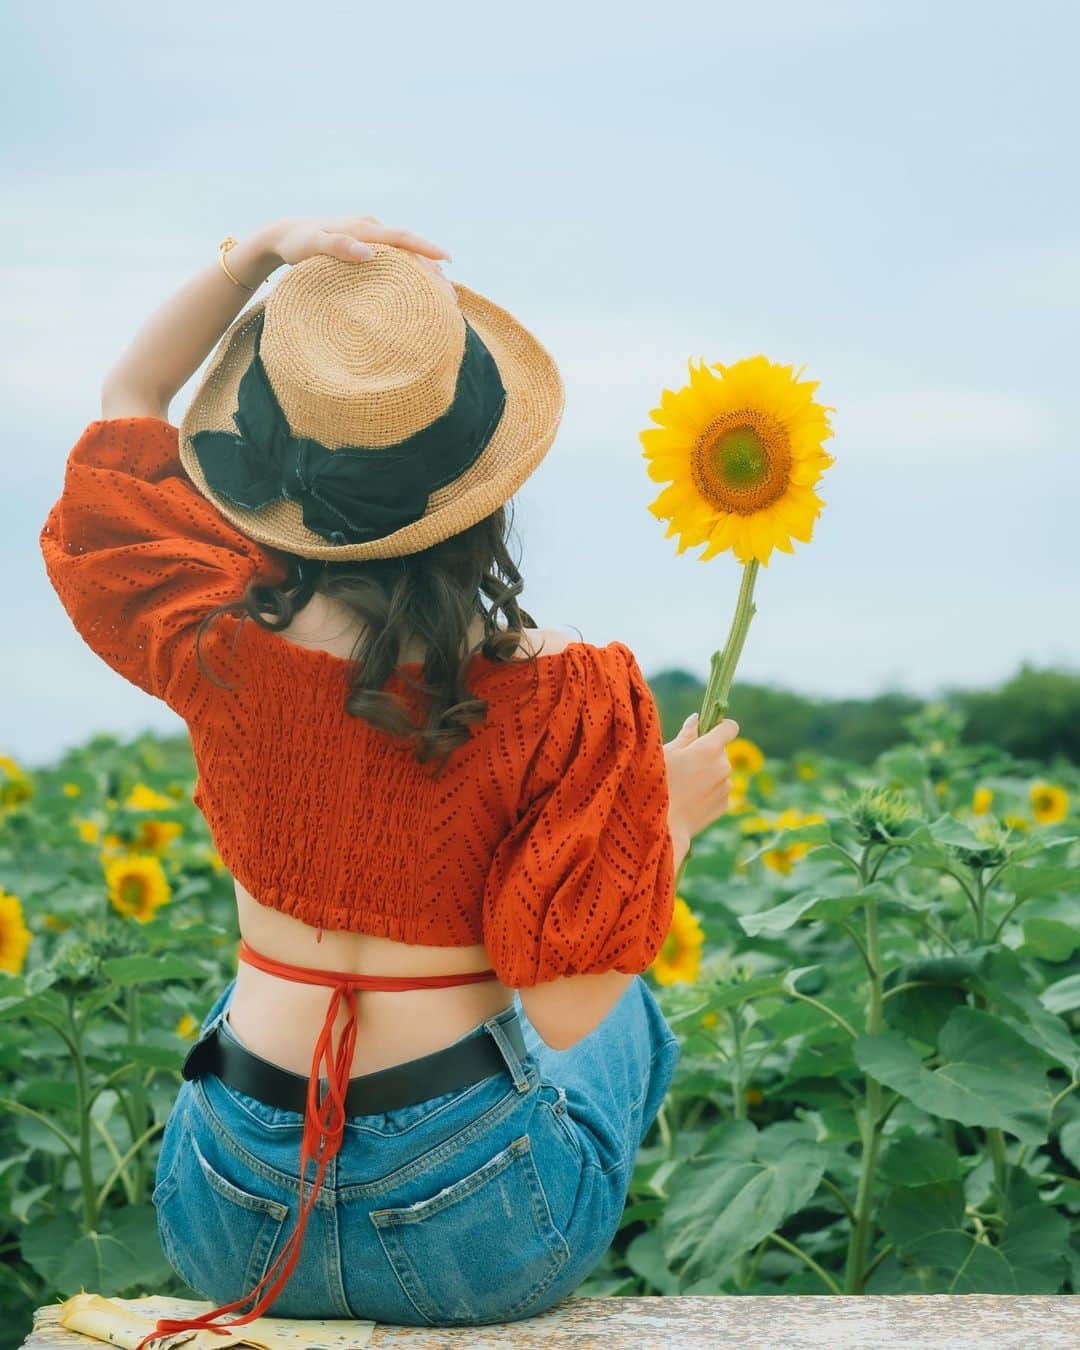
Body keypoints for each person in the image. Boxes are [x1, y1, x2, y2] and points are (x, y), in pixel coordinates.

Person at [38, 215, 739, 1342]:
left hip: (227, 1216)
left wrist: (257, 254)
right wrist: (662, 821)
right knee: (625, 1004)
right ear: (480, 483)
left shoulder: (209, 634)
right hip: (474, 1237)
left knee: (261, 978)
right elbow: (563, 1007)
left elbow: (131, 390)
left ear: (272, 469)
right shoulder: (568, 694)